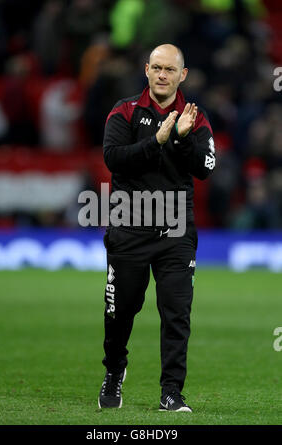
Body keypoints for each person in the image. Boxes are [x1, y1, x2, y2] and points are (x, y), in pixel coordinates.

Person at [98, 44, 216, 412]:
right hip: (129, 227)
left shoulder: (194, 118)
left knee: (176, 313)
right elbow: (114, 159)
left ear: (183, 75)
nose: (163, 75)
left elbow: (206, 167)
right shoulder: (124, 111)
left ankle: (171, 392)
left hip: (177, 231)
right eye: (157, 68)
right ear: (147, 70)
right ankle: (115, 370)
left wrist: (180, 139)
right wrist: (158, 141)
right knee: (121, 312)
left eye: (171, 70)